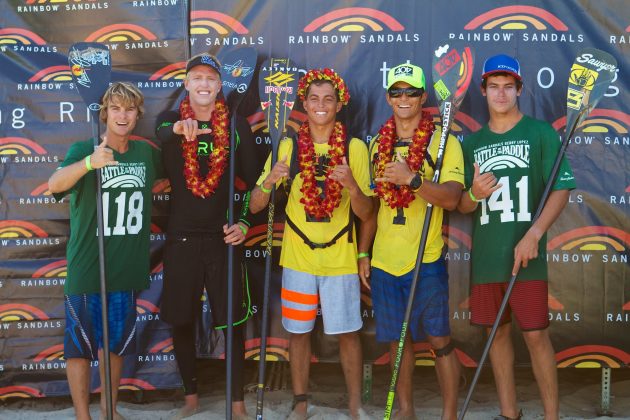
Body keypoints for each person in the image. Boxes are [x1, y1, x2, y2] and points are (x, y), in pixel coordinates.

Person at [249, 68, 373, 420]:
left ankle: (353, 404)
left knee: (348, 334)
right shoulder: (287, 145)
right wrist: (272, 179)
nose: (321, 106)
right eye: (314, 99)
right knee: (299, 333)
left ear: (339, 105)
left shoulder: (354, 149)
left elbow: (367, 212)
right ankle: (301, 401)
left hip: (341, 258)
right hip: (299, 259)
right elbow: (256, 204)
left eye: (328, 99)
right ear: (304, 104)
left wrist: (351, 186)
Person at [457, 54, 575, 420]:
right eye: (494, 86)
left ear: (520, 89)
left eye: (509, 86)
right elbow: (461, 205)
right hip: (488, 257)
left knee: (537, 335)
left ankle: (551, 416)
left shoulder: (539, 133)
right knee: (497, 336)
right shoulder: (472, 143)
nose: (501, 93)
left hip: (527, 253)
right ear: (483, 90)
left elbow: (561, 188)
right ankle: (510, 413)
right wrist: (474, 193)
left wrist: (535, 233)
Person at [155, 52, 259, 420]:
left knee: (233, 321)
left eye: (210, 78)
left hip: (221, 238)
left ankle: (237, 404)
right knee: (181, 319)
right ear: (187, 83)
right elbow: (160, 133)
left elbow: (254, 185)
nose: (203, 84)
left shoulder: (235, 126)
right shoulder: (170, 121)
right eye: (196, 77)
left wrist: (244, 223)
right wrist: (178, 130)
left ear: (219, 85)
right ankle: (191, 398)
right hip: (181, 237)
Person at [49, 82, 161, 420]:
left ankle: (109, 409)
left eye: (129, 109)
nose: (122, 115)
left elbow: (173, 178)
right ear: (105, 113)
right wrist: (88, 163)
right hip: (87, 267)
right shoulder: (85, 148)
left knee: (115, 347)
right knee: (79, 349)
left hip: (125, 270)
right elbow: (54, 184)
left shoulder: (146, 154)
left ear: (137, 114)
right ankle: (83, 416)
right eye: (115, 108)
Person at [357, 63, 463, 420]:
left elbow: (451, 198)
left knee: (439, 342)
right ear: (388, 98)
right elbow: (371, 208)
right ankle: (406, 411)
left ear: (423, 97)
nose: (404, 98)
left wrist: (413, 180)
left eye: (412, 92)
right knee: (396, 343)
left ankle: (449, 414)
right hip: (385, 261)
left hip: (426, 260)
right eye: (397, 92)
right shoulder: (377, 145)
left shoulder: (443, 141)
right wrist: (363, 252)